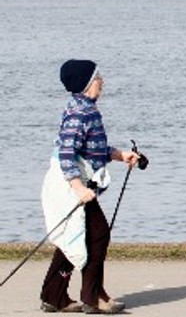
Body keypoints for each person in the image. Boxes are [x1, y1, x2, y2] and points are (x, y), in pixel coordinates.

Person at [40, 60, 139, 314]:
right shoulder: (81, 113)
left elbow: (91, 150)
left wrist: (120, 155)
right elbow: (67, 153)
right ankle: (93, 296)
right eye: (98, 77)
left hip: (77, 183)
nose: (102, 81)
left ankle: (54, 295)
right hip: (70, 184)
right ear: (86, 84)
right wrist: (77, 187)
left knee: (74, 235)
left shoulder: (84, 108)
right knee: (97, 234)